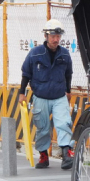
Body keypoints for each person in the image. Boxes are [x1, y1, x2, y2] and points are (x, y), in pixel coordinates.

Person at [18, 19, 75, 170]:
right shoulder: (35, 53)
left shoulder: (64, 54)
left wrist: (68, 91)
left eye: (58, 36)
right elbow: (26, 74)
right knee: (42, 128)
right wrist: (21, 93)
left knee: (64, 123)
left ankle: (66, 154)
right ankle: (44, 156)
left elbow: (68, 74)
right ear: (46, 35)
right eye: (53, 36)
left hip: (59, 96)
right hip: (41, 96)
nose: (56, 39)